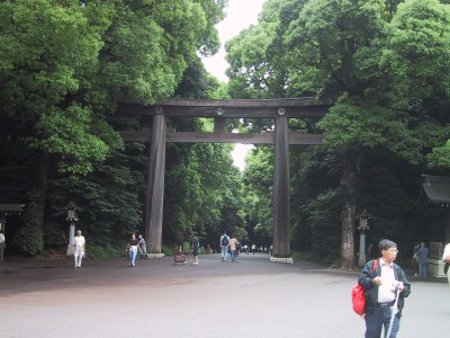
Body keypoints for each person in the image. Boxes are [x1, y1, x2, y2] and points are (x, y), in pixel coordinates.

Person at [358, 239, 411, 338]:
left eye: (396, 250)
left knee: (391, 335)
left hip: (392, 309)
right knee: (372, 335)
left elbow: (407, 289)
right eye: (392, 250)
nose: (395, 253)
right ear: (383, 252)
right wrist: (372, 281)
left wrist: (402, 288)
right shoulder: (372, 265)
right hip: (374, 309)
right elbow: (361, 280)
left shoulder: (397, 269)